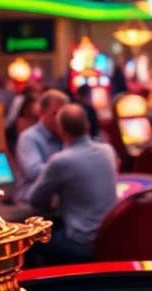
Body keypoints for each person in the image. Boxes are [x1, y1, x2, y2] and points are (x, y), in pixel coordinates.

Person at [28, 104, 118, 263]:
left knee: (34, 240)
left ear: (61, 130)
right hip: (111, 238)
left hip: (83, 243)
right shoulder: (108, 150)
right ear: (87, 126)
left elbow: (35, 199)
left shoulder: (61, 160)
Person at [15, 89, 67, 203]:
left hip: (61, 200)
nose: (59, 119)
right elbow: (34, 172)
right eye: (54, 114)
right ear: (41, 112)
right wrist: (67, 168)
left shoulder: (66, 134)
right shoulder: (28, 137)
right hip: (33, 205)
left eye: (62, 114)